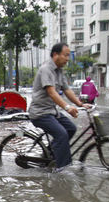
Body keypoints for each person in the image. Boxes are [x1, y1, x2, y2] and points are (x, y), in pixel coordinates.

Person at [28, 42, 91, 172]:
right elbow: (51, 92)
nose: (68, 59)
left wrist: (80, 104)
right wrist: (68, 107)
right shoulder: (46, 69)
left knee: (71, 129)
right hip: (40, 113)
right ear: (55, 55)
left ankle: (49, 154)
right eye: (66, 55)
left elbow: (67, 90)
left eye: (68, 56)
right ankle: (62, 170)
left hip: (51, 112)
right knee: (61, 135)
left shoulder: (59, 71)